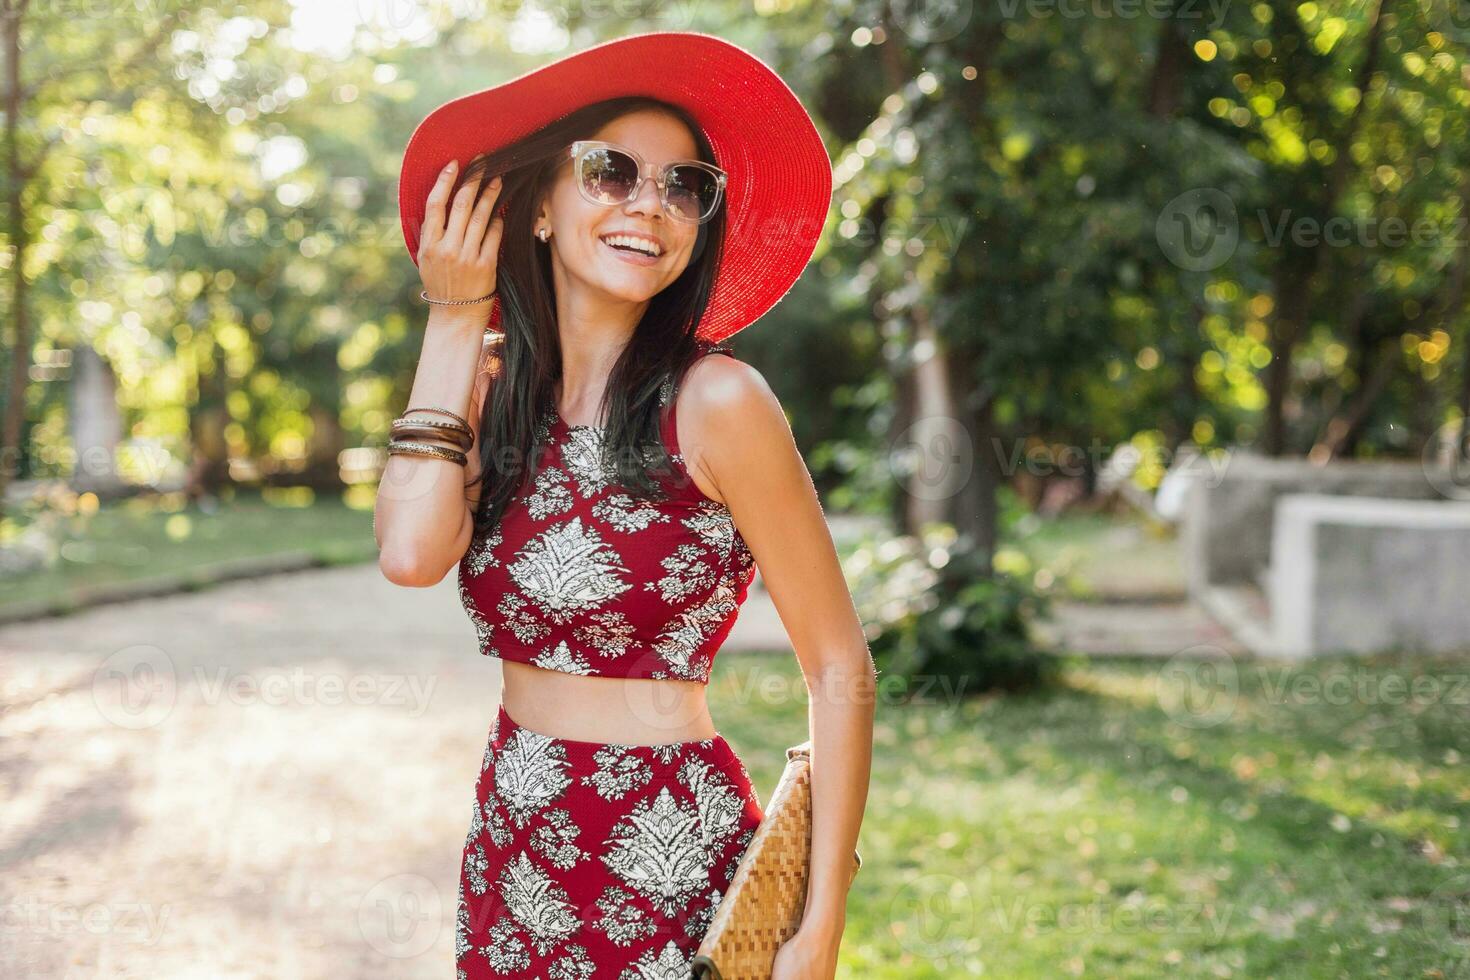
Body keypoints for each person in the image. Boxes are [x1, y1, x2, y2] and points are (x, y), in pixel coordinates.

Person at [375, 32, 875, 979]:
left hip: (669, 855)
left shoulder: (719, 403)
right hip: (515, 844)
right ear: (534, 206)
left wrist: (823, 914)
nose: (652, 203)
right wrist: (452, 317)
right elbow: (408, 553)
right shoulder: (487, 396)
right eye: (610, 172)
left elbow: (839, 661)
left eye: (684, 186)